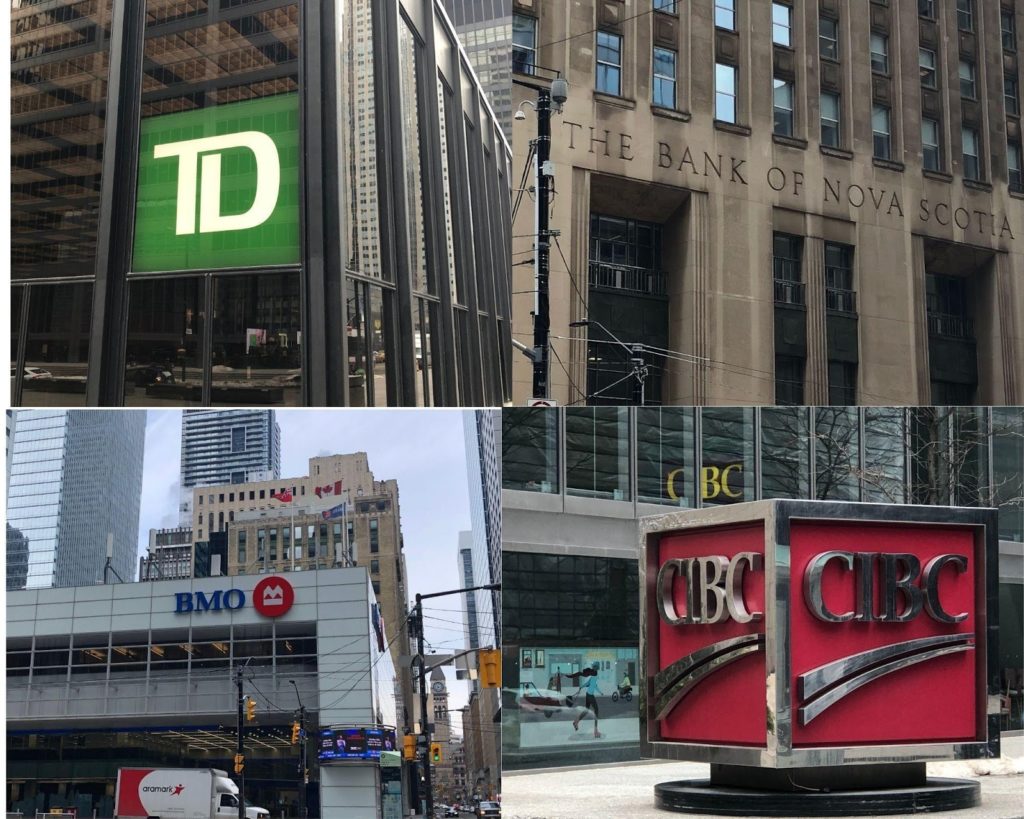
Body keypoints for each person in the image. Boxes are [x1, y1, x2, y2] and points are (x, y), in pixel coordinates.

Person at [571, 665, 603, 738]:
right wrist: (600, 692)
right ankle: (595, 731)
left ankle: (576, 722)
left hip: (587, 694)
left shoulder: (592, 678)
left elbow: (589, 684)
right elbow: (594, 686)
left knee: (586, 710)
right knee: (596, 710)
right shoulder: (594, 677)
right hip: (590, 696)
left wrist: (581, 687)